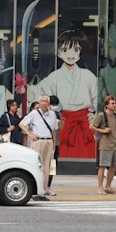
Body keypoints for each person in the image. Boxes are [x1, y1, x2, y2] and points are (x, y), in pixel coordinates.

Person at [27, 29, 98, 160]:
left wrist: (93, 116)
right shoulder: (54, 77)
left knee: (86, 154)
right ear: (59, 53)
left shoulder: (88, 76)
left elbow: (96, 100)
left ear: (80, 52)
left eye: (75, 50)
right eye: (65, 50)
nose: (71, 54)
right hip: (65, 123)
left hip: (85, 123)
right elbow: (39, 95)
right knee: (63, 153)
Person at [19, 95, 57, 202]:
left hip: (48, 141)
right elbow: (21, 124)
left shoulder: (52, 114)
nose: (44, 103)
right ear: (39, 103)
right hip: (37, 141)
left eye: (46, 101)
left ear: (49, 103)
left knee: (47, 167)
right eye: (42, 101)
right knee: (37, 166)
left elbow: (54, 129)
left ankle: (43, 190)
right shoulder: (34, 113)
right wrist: (30, 135)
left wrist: (54, 143)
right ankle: (35, 190)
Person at [90, 95, 116, 195]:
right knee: (103, 166)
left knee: (114, 166)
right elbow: (91, 126)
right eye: (112, 103)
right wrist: (102, 130)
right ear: (107, 105)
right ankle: (100, 187)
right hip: (105, 144)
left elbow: (115, 127)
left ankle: (108, 185)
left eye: (115, 103)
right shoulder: (101, 115)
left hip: (115, 143)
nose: (115, 105)